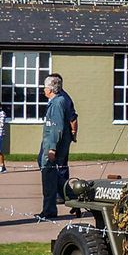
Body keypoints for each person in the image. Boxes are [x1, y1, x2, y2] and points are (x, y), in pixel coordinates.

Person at [38, 75, 73, 219]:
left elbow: (56, 127)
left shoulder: (58, 102)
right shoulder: (54, 102)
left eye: (45, 87)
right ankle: (72, 196)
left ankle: (49, 210)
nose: (44, 90)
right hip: (48, 143)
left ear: (51, 88)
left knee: (48, 175)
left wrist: (52, 148)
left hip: (52, 145)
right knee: (49, 172)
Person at [48, 73, 77, 203]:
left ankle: (66, 193)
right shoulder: (57, 98)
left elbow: (73, 118)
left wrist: (73, 133)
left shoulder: (63, 99)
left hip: (62, 138)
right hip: (61, 136)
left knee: (61, 165)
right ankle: (62, 192)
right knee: (57, 165)